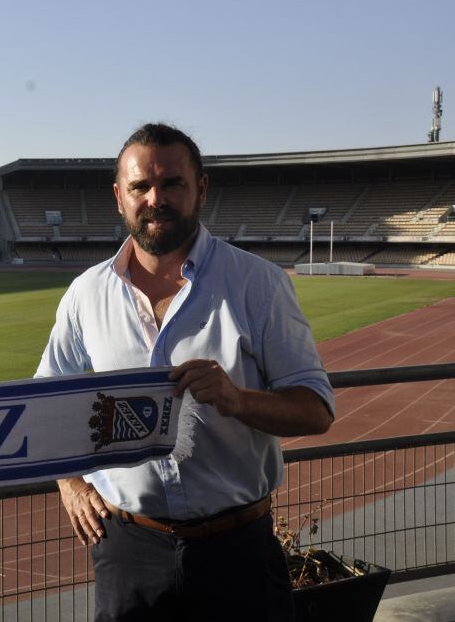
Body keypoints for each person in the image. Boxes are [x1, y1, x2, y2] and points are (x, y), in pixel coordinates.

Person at [35, 123, 335, 621]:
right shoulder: (87, 294)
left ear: (201, 189)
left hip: (237, 552)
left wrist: (237, 399)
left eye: (173, 183)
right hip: (129, 549)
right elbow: (45, 402)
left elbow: (317, 410)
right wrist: (70, 482)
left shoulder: (256, 284)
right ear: (119, 196)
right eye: (140, 187)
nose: (156, 198)